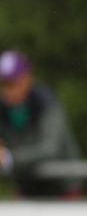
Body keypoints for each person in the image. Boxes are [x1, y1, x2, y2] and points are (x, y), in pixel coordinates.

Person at [0, 50, 82, 198]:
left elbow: (50, 149)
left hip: (61, 189)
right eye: (4, 84)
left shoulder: (45, 102)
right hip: (28, 188)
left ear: (27, 78)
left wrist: (10, 158)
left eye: (12, 83)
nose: (8, 91)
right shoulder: (3, 108)